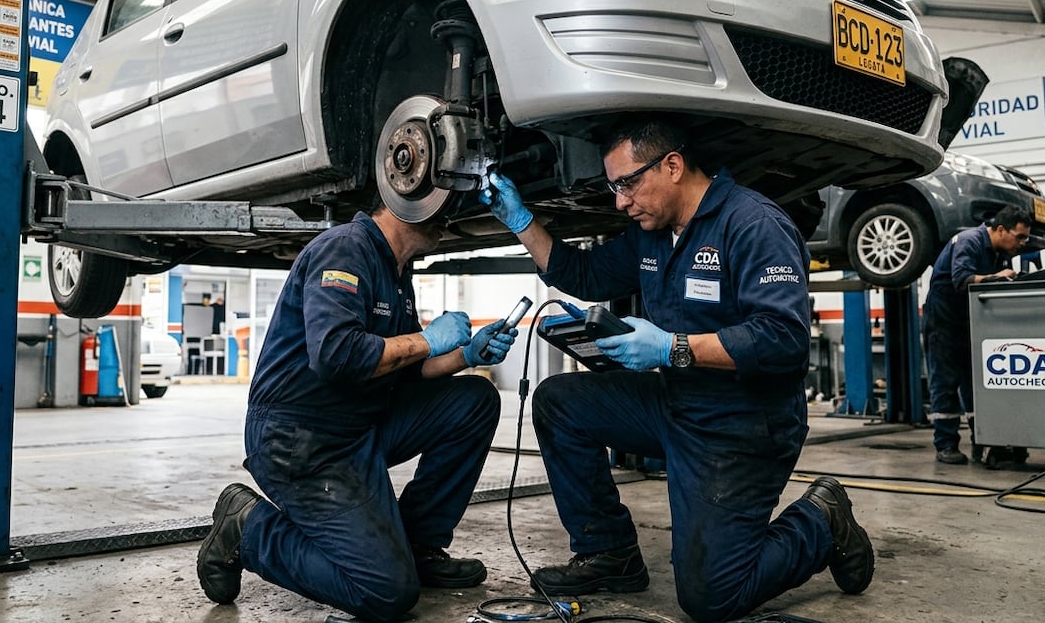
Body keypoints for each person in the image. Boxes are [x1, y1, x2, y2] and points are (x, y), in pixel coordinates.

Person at [479, 116, 874, 623]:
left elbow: (784, 340)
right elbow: (583, 273)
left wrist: (672, 348)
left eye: (627, 183)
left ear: (672, 166)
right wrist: (520, 220)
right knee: (560, 402)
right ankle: (610, 553)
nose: (621, 201)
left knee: (711, 598)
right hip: (677, 402)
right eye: (612, 187)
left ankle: (822, 520)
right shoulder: (652, 232)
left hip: (743, 422)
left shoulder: (753, 224)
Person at [196, 203, 517, 621]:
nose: (448, 216)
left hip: (359, 426)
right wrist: (427, 339)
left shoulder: (397, 272)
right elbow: (336, 354)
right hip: (301, 439)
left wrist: (465, 355)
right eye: (438, 205)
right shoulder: (345, 250)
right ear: (405, 200)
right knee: (385, 592)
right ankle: (247, 527)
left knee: (473, 400)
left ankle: (418, 545)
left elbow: (405, 367)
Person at [922, 205, 1033, 465]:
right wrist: (997, 276)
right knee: (945, 382)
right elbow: (961, 280)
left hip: (971, 324)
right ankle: (946, 445)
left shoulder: (1001, 252)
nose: (1023, 243)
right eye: (1020, 236)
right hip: (944, 322)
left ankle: (982, 441)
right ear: (1001, 230)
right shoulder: (969, 241)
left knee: (977, 385)